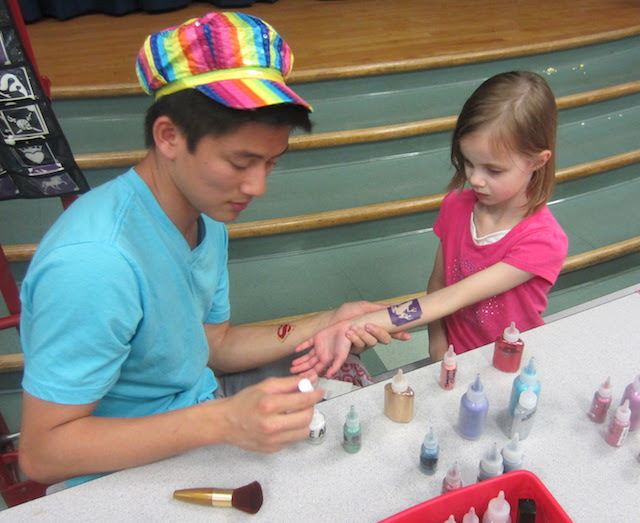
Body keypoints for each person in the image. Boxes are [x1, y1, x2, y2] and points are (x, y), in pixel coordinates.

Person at [18, 12, 407, 488]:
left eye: (271, 162)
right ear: (169, 137)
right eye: (241, 162)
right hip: (122, 473)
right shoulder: (95, 263)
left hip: (195, 413)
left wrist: (328, 320)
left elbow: (213, 347)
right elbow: (42, 454)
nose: (257, 186)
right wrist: (222, 421)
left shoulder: (204, 214)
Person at [291, 71, 568, 377]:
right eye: (468, 162)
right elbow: (438, 283)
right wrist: (437, 339)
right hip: (452, 356)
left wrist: (356, 326)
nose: (475, 179)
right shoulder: (456, 207)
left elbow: (453, 297)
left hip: (506, 364)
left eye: (494, 170)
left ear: (538, 161)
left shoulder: (542, 240)